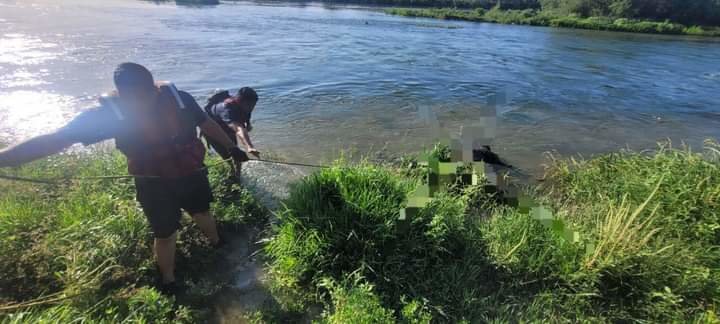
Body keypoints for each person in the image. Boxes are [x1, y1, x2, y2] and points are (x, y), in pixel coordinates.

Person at [0, 62, 247, 293]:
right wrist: (5, 158)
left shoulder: (179, 99)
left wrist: (232, 147)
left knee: (202, 211)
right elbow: (55, 139)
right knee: (164, 233)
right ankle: (168, 280)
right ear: (120, 94)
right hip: (152, 183)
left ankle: (216, 242)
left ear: (153, 88)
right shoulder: (107, 115)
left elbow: (206, 124)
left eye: (144, 95)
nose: (139, 103)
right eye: (132, 98)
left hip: (191, 172)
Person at [204, 87, 260, 166]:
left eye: (253, 105)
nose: (251, 108)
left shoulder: (246, 107)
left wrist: (248, 124)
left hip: (228, 128)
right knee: (227, 157)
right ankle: (231, 174)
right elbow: (238, 129)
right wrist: (249, 146)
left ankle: (237, 175)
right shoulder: (226, 108)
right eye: (249, 105)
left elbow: (244, 121)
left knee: (237, 155)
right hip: (212, 130)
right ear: (239, 101)